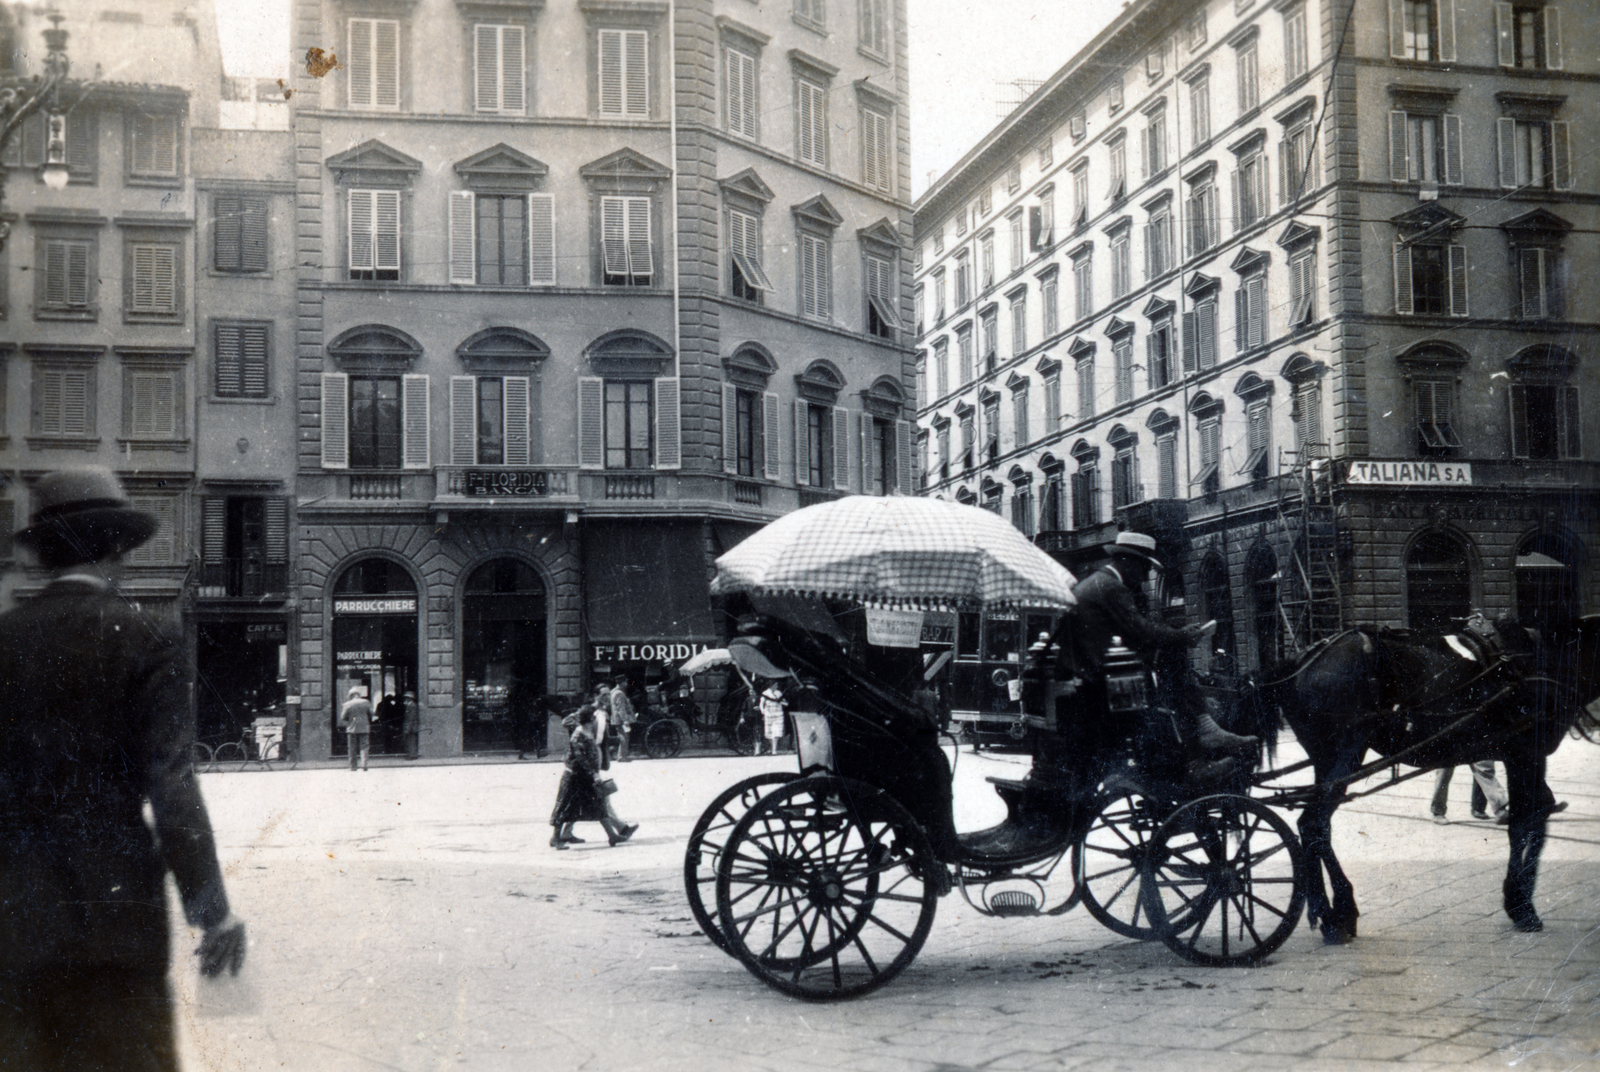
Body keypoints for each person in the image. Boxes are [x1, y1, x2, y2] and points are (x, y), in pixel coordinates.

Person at [0, 467, 247, 1071]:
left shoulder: (5, 639)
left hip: (14, 922)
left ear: (46, 555)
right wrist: (212, 913)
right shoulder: (148, 637)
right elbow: (172, 787)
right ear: (114, 547)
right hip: (118, 918)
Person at [1068, 531, 1256, 784]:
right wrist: (1182, 635)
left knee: (1170, 658)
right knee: (1173, 663)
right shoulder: (1112, 587)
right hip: (1110, 679)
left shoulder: (1094, 583)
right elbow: (1141, 630)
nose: (1146, 576)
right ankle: (1196, 755)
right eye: (1145, 568)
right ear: (1129, 562)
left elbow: (1133, 631)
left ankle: (1204, 728)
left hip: (1095, 673)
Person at [550, 714, 637, 848]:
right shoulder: (578, 735)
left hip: (584, 777)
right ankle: (555, 838)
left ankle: (612, 836)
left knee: (599, 804)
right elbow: (580, 758)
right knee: (566, 807)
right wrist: (593, 774)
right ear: (589, 721)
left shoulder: (586, 733)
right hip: (575, 777)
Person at [341, 686, 373, 771]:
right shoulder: (366, 702)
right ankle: (364, 765)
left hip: (352, 728)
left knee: (352, 748)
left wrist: (351, 719)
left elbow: (343, 717)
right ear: (359, 694)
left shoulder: (347, 704)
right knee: (364, 747)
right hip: (364, 727)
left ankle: (353, 767)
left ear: (351, 695)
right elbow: (371, 714)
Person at [609, 677, 636, 762]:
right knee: (624, 737)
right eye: (625, 682)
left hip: (616, 718)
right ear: (622, 683)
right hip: (620, 719)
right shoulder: (619, 693)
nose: (626, 684)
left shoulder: (612, 692)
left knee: (622, 736)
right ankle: (622, 756)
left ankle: (620, 755)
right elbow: (621, 708)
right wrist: (625, 720)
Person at [401, 689, 421, 760]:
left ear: (410, 698)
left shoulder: (412, 705)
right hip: (410, 726)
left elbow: (410, 718)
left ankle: (412, 755)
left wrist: (407, 728)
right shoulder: (409, 705)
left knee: (411, 740)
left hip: (411, 727)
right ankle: (411, 754)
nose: (405, 698)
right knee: (409, 740)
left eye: (407, 697)